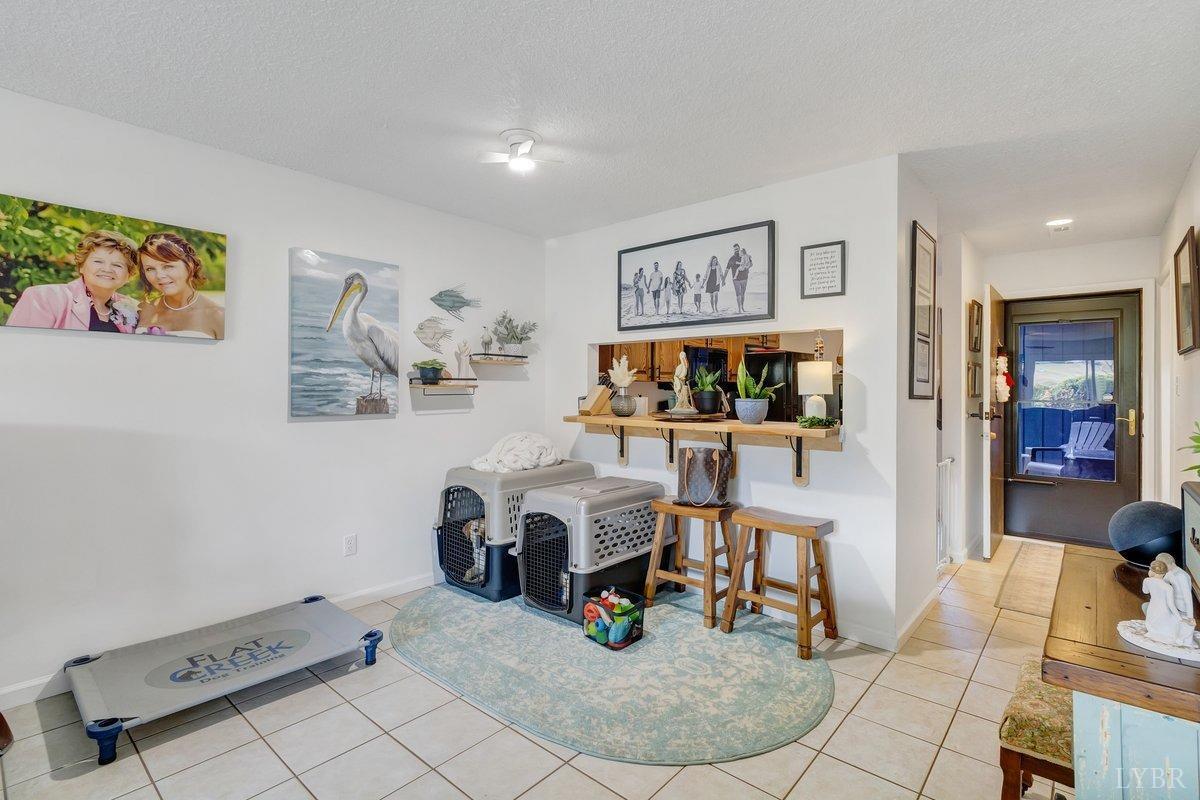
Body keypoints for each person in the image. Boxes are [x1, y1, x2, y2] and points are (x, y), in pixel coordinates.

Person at [7, 230, 139, 333]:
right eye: (98, 261)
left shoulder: (135, 309)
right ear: (81, 266)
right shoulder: (44, 297)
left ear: (129, 275)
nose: (107, 269)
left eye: (117, 265)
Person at [136, 232, 225, 339]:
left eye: (168, 266)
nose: (159, 275)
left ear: (190, 265)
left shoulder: (217, 315)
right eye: (150, 269)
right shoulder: (143, 309)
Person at [723, 243, 753, 314]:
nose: (736, 250)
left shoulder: (744, 255)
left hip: (744, 278)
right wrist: (723, 279)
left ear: (739, 248)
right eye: (735, 249)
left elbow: (751, 264)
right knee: (738, 294)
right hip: (735, 279)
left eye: (737, 249)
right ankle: (739, 309)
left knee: (742, 294)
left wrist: (747, 267)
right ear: (733, 250)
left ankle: (742, 307)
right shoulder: (731, 259)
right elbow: (727, 269)